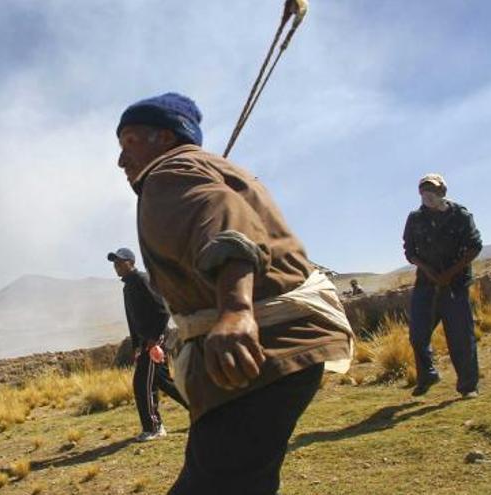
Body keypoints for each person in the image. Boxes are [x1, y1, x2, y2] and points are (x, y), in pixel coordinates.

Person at [115, 92, 354, 494]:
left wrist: (236, 309)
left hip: (260, 349)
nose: (122, 160)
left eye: (130, 143)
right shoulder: (202, 168)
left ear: (165, 138)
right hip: (274, 351)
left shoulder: (169, 173)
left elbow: (227, 221)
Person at [402, 173, 482, 399]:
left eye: (433, 190)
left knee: (459, 335)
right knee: (418, 334)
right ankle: (427, 374)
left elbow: (474, 246)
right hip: (426, 284)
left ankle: (468, 386)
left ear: (443, 191)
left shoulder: (460, 215)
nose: (428, 194)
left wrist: (450, 273)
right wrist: (428, 270)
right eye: (423, 190)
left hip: (455, 284)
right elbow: (410, 251)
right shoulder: (415, 218)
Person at [107, 247, 188, 442]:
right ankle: (202, 410)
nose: (117, 266)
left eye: (120, 262)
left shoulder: (142, 280)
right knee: (163, 382)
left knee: (142, 383)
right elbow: (133, 320)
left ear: (131, 262)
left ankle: (154, 427)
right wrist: (136, 345)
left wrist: (153, 339)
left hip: (155, 340)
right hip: (145, 342)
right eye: (115, 263)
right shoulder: (128, 286)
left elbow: (162, 309)